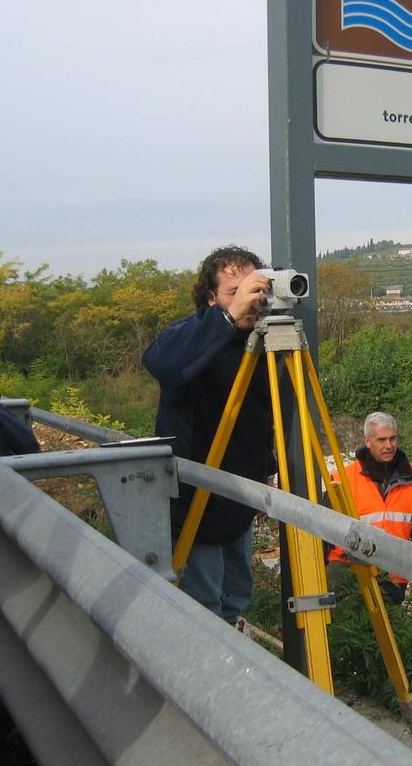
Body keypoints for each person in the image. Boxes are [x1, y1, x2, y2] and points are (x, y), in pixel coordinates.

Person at [142, 245, 273, 625]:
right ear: (212, 298)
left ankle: (233, 648)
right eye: (236, 291)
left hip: (239, 494)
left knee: (237, 594)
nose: (250, 299)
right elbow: (161, 362)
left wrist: (268, 467)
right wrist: (229, 318)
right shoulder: (191, 335)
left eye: (256, 288)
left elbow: (262, 415)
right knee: (203, 602)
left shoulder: (262, 341)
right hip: (194, 498)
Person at [327, 412, 412, 604]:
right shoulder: (343, 478)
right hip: (345, 566)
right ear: (368, 441)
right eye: (382, 440)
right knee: (340, 626)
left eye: (392, 438)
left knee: (387, 627)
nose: (389, 445)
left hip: (393, 572)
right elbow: (324, 524)